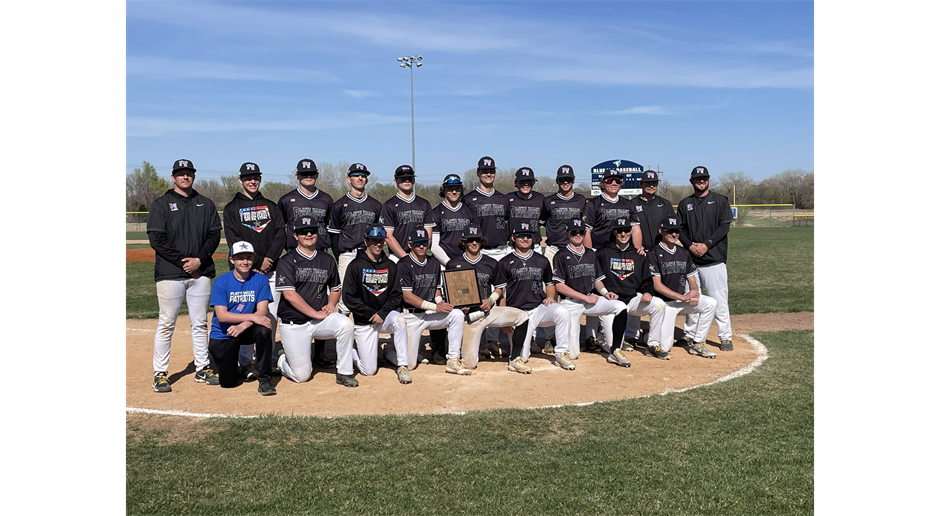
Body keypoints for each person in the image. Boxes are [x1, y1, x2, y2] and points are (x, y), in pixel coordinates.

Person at [148, 159, 222, 392]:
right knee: (166, 323)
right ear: (173, 177)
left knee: (200, 323)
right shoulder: (161, 204)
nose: (185, 177)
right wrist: (184, 262)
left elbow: (213, 235)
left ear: (193, 176)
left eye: (188, 173)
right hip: (170, 274)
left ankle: (202, 368)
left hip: (200, 272)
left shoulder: (205, 203)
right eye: (180, 174)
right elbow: (157, 240)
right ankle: (160, 373)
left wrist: (199, 259)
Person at [275, 217, 359, 387]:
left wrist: (331, 304)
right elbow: (290, 295)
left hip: (318, 320)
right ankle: (282, 360)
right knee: (301, 376)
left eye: (312, 231)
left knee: (345, 325)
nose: (308, 234)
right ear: (295, 235)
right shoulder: (286, 261)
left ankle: (344, 372)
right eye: (303, 232)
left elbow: (335, 288)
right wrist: (315, 313)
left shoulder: (326, 260)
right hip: (295, 322)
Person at [222, 162, 287, 373]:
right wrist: (258, 261)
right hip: (246, 272)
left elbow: (281, 234)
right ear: (240, 180)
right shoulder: (232, 208)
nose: (252, 181)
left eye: (256, 177)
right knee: (247, 314)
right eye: (248, 178)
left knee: (271, 316)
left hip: (271, 270)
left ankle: (267, 357)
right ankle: (245, 360)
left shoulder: (271, 205)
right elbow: (234, 240)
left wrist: (269, 259)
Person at [277, 158, 335, 368]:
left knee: (321, 302)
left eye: (311, 173)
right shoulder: (286, 200)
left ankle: (320, 353)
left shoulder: (326, 199)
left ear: (317, 175)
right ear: (297, 176)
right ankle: (291, 348)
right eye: (304, 174)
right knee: (294, 301)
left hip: (320, 255)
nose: (307, 176)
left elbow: (329, 227)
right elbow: (281, 227)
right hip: (295, 257)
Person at [493, 222, 572, 373]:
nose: (525, 239)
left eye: (528, 236)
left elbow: (550, 282)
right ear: (513, 237)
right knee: (522, 357)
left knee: (561, 311)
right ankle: (519, 354)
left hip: (538, 308)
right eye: (521, 236)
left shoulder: (541, 260)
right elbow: (501, 291)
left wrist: (550, 297)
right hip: (517, 314)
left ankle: (561, 352)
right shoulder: (504, 262)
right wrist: (504, 318)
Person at [447, 225, 528, 368]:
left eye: (477, 240)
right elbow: (449, 293)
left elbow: (499, 287)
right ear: (464, 242)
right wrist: (459, 307)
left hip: (488, 310)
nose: (474, 243)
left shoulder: (490, 262)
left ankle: (515, 359)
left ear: (481, 241)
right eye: (470, 240)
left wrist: (491, 300)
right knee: (469, 364)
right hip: (469, 317)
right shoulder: (454, 264)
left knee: (522, 316)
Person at [552, 219, 628, 363]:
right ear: (567, 234)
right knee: (573, 354)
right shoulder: (561, 255)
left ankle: (615, 350)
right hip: (571, 303)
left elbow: (597, 280)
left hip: (591, 299)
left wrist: (605, 293)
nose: (578, 235)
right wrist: (584, 298)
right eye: (574, 232)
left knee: (620, 306)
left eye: (581, 232)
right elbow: (559, 286)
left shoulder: (591, 254)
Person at [342, 226, 411, 384]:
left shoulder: (391, 266)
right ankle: (351, 350)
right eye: (374, 241)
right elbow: (349, 297)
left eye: (381, 241)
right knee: (369, 371)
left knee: (399, 320)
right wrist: (369, 313)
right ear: (366, 242)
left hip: (384, 317)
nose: (378, 244)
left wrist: (382, 313)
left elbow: (396, 295)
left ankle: (402, 365)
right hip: (364, 320)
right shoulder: (355, 266)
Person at [396, 227, 470, 375]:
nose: (422, 246)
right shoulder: (403, 264)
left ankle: (453, 360)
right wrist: (435, 307)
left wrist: (439, 302)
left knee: (457, 315)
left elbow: (436, 288)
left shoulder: (434, 263)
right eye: (418, 243)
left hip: (428, 314)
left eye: (424, 242)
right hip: (411, 316)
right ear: (410, 245)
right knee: (410, 364)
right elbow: (407, 296)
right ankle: (390, 353)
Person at [596, 218, 669, 367]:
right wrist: (605, 293)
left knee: (659, 304)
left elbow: (647, 280)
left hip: (631, 298)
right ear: (614, 232)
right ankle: (599, 337)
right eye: (620, 231)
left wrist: (647, 291)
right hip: (611, 302)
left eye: (627, 231)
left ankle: (652, 344)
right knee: (613, 345)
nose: (623, 234)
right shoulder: (603, 253)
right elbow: (596, 278)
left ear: (631, 232)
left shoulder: (638, 255)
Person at [207, 242, 277, 395]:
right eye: (240, 258)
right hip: (225, 332)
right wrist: (251, 317)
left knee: (264, 329)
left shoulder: (260, 280)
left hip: (245, 329)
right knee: (228, 383)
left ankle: (265, 380)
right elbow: (222, 316)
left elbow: (262, 311)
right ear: (232, 260)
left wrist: (243, 325)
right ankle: (235, 367)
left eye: (249, 258)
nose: (245, 262)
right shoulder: (222, 282)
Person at [677, 166, 734, 351]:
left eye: (704, 178)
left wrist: (706, 244)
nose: (701, 181)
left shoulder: (720, 201)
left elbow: (724, 227)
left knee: (719, 300)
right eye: (698, 178)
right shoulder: (685, 204)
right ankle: (690, 334)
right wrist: (691, 246)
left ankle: (725, 336)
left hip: (714, 259)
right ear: (691, 181)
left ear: (708, 180)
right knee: (692, 299)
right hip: (691, 261)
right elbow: (680, 230)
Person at [647, 217, 718, 360]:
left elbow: (692, 279)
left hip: (680, 301)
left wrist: (694, 293)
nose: (674, 234)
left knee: (711, 303)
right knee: (666, 347)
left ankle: (698, 343)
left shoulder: (683, 252)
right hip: (663, 304)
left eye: (677, 231)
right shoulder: (653, 253)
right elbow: (657, 285)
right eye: (670, 231)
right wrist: (683, 297)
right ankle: (648, 335)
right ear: (661, 231)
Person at [463, 156, 511, 354]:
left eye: (491, 171)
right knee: (478, 294)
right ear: (478, 174)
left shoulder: (503, 198)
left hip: (500, 250)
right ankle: (479, 338)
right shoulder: (469, 199)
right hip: (479, 251)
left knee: (500, 294)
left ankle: (493, 339)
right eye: (484, 171)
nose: (488, 174)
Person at [539, 164, 586, 354]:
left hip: (574, 250)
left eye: (568, 179)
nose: (565, 183)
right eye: (561, 180)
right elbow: (540, 223)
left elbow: (586, 228)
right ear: (557, 181)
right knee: (550, 291)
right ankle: (551, 336)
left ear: (574, 180)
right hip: (553, 249)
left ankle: (584, 333)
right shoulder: (548, 201)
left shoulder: (582, 200)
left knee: (577, 287)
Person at [329, 163, 384, 313]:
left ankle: (365, 335)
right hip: (348, 254)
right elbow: (334, 235)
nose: (360, 178)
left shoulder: (375, 205)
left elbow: (380, 234)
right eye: (356, 175)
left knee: (369, 294)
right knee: (345, 298)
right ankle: (344, 334)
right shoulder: (339, 205)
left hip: (369, 255)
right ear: (348, 179)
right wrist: (340, 255)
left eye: (363, 175)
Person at [381, 165, 434, 264]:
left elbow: (428, 235)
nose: (407, 181)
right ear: (395, 181)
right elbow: (388, 236)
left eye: (409, 178)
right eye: (403, 179)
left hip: (420, 255)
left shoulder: (424, 204)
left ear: (413, 181)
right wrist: (406, 258)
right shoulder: (389, 205)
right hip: (397, 257)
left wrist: (420, 254)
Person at [430, 174, 477, 266]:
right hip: (443, 263)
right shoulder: (435, 212)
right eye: (450, 189)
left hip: (467, 262)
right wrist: (448, 262)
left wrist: (470, 260)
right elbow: (434, 245)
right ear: (443, 190)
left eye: (457, 189)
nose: (454, 192)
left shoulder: (470, 212)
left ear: (462, 190)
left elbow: (475, 241)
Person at [629, 170, 676, 256]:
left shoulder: (665, 204)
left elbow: (672, 228)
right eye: (648, 183)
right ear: (640, 184)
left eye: (654, 183)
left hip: (662, 252)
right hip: (640, 252)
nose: (651, 186)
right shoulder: (631, 204)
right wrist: (637, 247)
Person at [506, 167, 545, 254]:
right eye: (522, 181)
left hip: (534, 246)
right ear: (516, 182)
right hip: (513, 246)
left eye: (529, 181)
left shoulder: (540, 198)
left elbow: (543, 220)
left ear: (533, 182)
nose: (526, 184)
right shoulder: (508, 198)